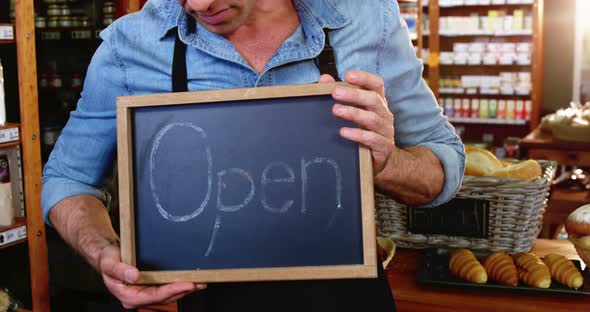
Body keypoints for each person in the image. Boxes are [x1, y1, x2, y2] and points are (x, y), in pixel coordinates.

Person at [41, 0, 465, 310]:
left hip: (348, 297)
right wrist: (104, 252)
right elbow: (67, 178)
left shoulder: (365, 18)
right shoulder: (129, 46)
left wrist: (388, 162)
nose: (199, 4)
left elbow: (442, 168)